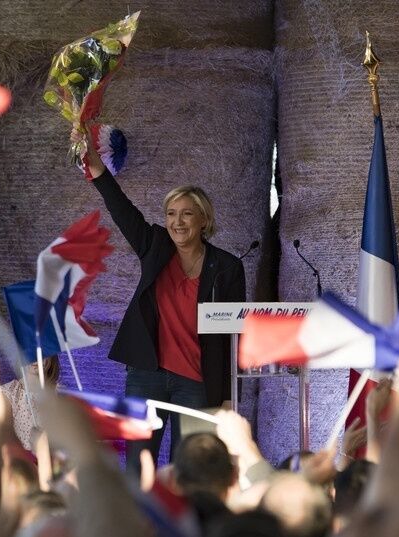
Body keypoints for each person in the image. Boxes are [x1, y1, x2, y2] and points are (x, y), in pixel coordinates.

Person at [77, 128, 246, 474]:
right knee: (138, 467)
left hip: (198, 382)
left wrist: (230, 395)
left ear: (204, 220)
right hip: (147, 375)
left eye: (186, 214)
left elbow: (236, 338)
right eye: (171, 213)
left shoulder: (227, 267)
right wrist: (97, 170)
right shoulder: (154, 246)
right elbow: (123, 211)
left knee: (189, 470)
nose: (177, 222)